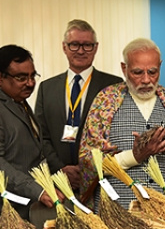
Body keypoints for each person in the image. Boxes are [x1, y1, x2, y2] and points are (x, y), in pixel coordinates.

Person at [79, 38, 165, 209]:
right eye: (138, 72)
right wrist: (135, 156)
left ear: (160, 67)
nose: (147, 80)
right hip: (119, 211)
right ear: (124, 68)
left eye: (153, 72)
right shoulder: (105, 102)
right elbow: (88, 163)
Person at [0, 45, 75, 229]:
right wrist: (38, 191)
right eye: (21, 78)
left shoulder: (19, 102)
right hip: (5, 215)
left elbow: (32, 152)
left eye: (33, 76)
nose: (31, 83)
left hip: (30, 211)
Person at [34, 19, 122, 185]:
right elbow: (40, 136)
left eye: (87, 45)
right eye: (74, 44)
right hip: (58, 180)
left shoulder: (114, 85)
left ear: (96, 48)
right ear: (64, 47)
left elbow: (117, 134)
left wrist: (90, 168)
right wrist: (60, 168)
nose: (81, 51)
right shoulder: (47, 88)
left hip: (101, 179)